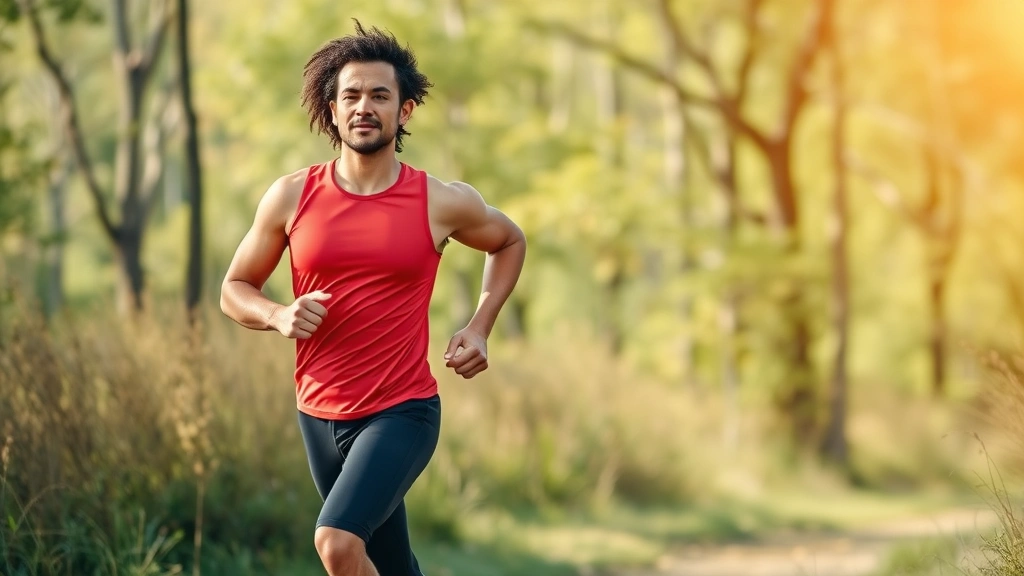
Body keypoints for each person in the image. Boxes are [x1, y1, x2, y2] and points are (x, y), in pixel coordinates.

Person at [218, 20, 527, 576]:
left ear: (404, 110)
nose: (364, 107)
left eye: (380, 95)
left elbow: (508, 240)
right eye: (351, 95)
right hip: (316, 412)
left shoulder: (440, 201)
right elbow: (234, 289)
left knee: (337, 544)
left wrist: (480, 325)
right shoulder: (291, 196)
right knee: (385, 562)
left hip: (402, 410)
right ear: (332, 109)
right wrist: (277, 314)